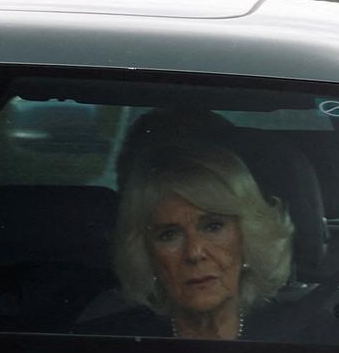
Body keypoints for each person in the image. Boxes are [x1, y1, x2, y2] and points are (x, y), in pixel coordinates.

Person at [76, 138, 295, 340]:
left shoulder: (302, 339)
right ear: (145, 254)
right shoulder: (104, 345)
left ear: (249, 237)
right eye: (169, 235)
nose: (194, 253)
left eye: (213, 226)